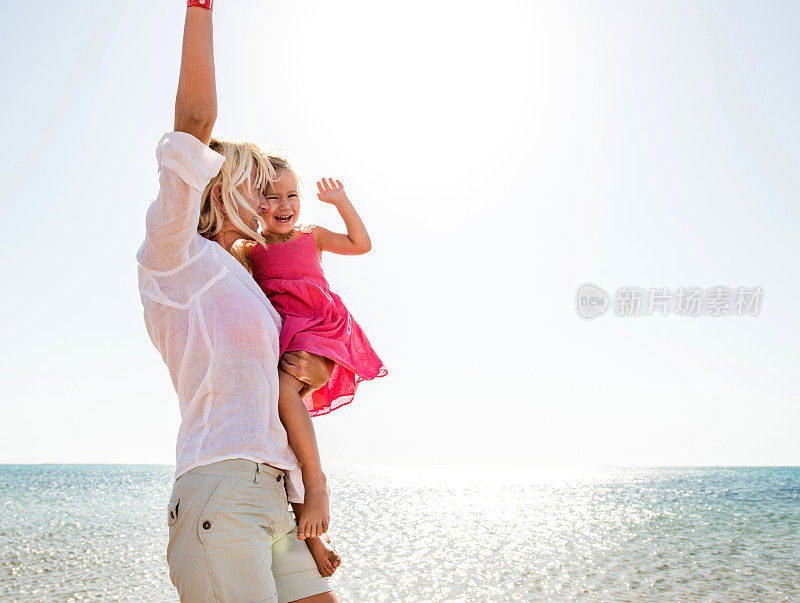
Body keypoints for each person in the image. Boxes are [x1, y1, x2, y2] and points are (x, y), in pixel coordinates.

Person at [136, 2, 339, 600]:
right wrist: (201, 11)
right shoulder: (176, 256)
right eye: (257, 185)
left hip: (277, 493)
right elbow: (193, 121)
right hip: (220, 491)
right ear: (220, 190)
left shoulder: (251, 283)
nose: (272, 201)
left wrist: (314, 372)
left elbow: (278, 384)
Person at [231, 162, 388, 542]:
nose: (284, 205)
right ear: (254, 203)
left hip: (319, 327)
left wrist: (341, 201)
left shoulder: (311, 236)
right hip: (286, 334)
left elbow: (361, 244)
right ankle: (309, 533)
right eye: (271, 198)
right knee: (282, 418)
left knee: (285, 396)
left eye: (292, 196)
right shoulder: (250, 249)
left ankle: (316, 483)